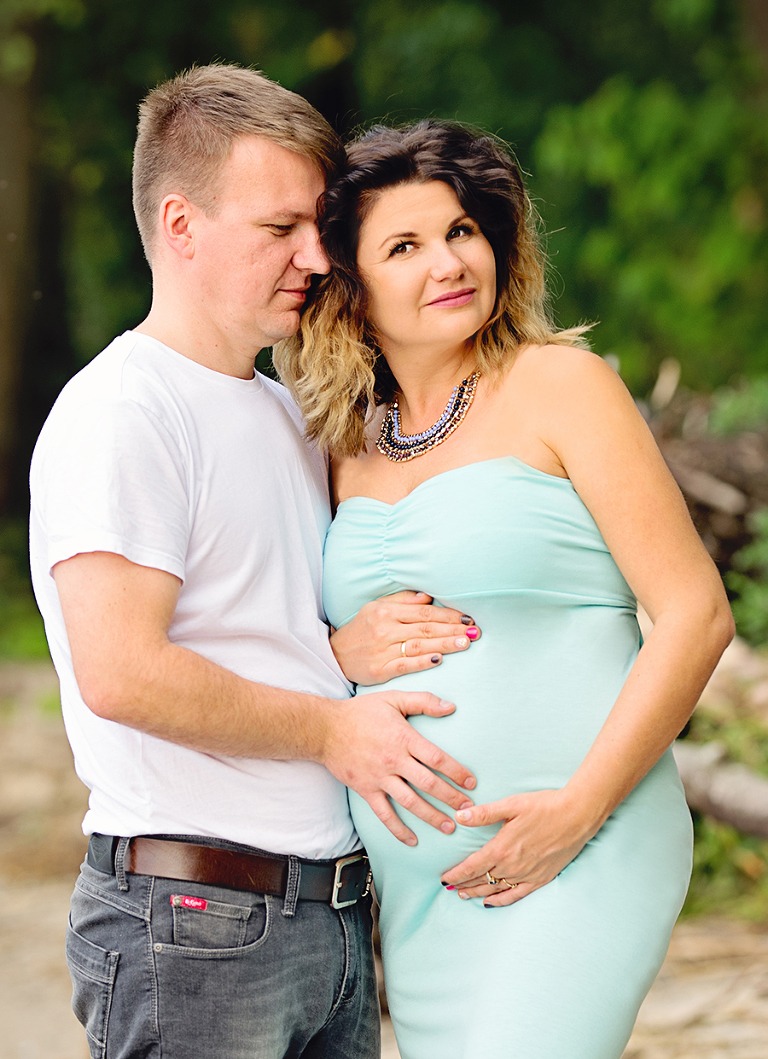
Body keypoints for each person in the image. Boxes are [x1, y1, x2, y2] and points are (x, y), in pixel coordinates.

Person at [29, 69, 484, 1059]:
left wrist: (336, 647)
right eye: (280, 228)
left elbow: (252, 628)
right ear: (182, 225)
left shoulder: (282, 410)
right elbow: (122, 670)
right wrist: (334, 726)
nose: (316, 256)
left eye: (318, 226)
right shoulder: (123, 412)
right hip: (195, 922)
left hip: (327, 919)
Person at [273, 119, 735, 1059]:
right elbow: (284, 642)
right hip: (423, 895)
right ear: (354, 293)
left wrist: (576, 811)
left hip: (584, 843)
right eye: (404, 246)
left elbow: (696, 616)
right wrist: (338, 650)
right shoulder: (338, 449)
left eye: (461, 231)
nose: (447, 261)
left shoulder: (560, 385)